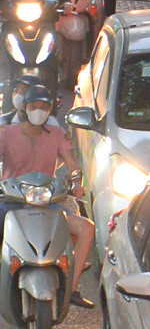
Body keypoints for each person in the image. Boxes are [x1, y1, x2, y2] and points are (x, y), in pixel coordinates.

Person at [0, 86, 94, 310]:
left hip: (47, 202)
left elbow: (73, 165)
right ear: (25, 107)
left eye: (44, 107)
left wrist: (76, 183)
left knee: (86, 228)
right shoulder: (6, 133)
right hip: (11, 201)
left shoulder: (58, 135)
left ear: (50, 110)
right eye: (34, 106)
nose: (38, 111)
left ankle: (72, 288)